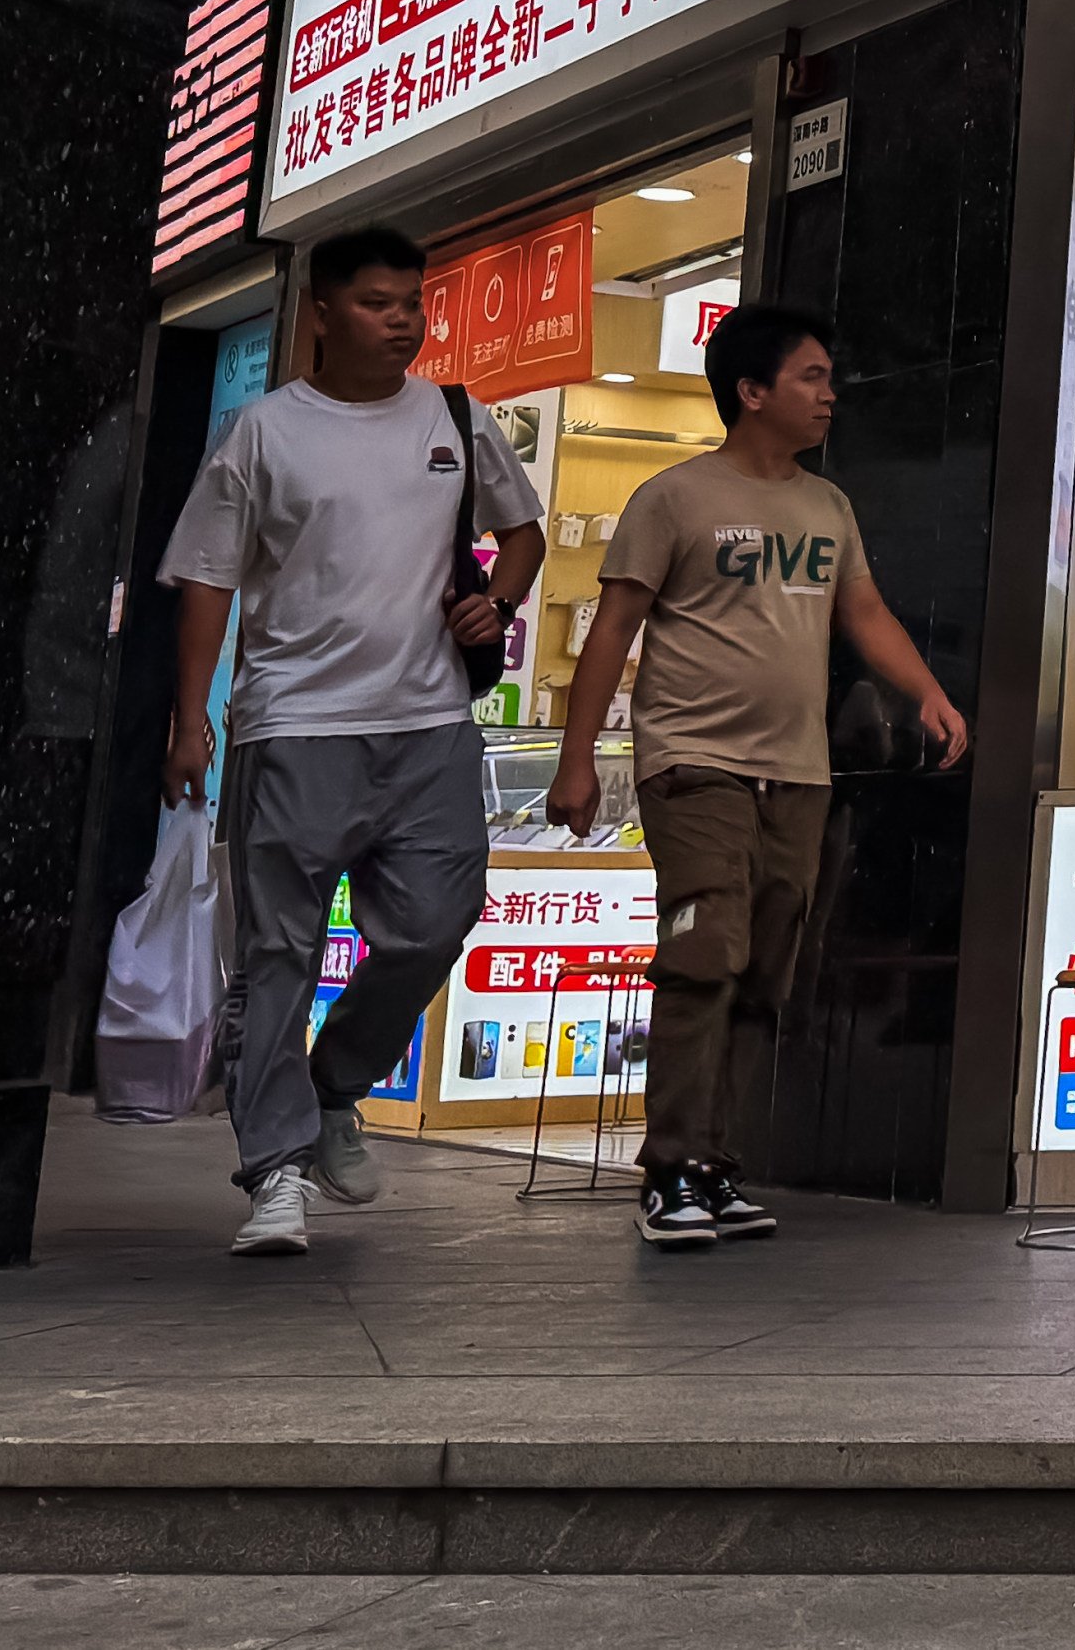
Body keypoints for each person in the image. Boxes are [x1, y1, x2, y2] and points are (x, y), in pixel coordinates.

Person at [160, 227, 547, 1259]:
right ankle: (274, 1170)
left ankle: (334, 1085)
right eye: (378, 304)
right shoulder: (263, 433)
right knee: (276, 953)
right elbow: (206, 579)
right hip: (295, 727)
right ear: (323, 314)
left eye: (412, 303)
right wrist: (190, 719)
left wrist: (500, 602)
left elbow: (523, 533)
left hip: (430, 725)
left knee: (433, 925)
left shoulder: (455, 416)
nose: (402, 322)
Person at [549, 305, 966, 1248]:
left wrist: (928, 695)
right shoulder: (673, 497)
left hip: (798, 773)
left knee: (767, 970)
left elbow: (864, 613)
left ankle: (713, 1163)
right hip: (693, 764)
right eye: (811, 376)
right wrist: (579, 761)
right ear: (751, 391)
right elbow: (612, 630)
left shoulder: (828, 507)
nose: (830, 395)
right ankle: (669, 1169)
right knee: (704, 953)